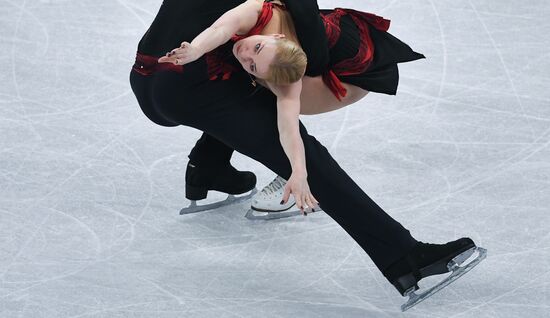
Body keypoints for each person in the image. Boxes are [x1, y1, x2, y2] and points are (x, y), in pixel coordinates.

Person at [129, 0, 486, 310]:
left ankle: (209, 169)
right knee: (292, 128)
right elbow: (309, 51)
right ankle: (405, 258)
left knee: (247, 67)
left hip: (147, 80)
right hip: (189, 89)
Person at [157, 0, 426, 217]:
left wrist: (298, 172)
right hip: (314, 42)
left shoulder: (288, 75)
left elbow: (288, 127)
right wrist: (195, 50)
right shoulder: (256, 11)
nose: (244, 53)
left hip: (354, 70)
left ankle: (288, 180)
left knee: (267, 101)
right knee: (240, 86)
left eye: (254, 60)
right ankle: (208, 167)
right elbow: (221, 29)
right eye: (256, 49)